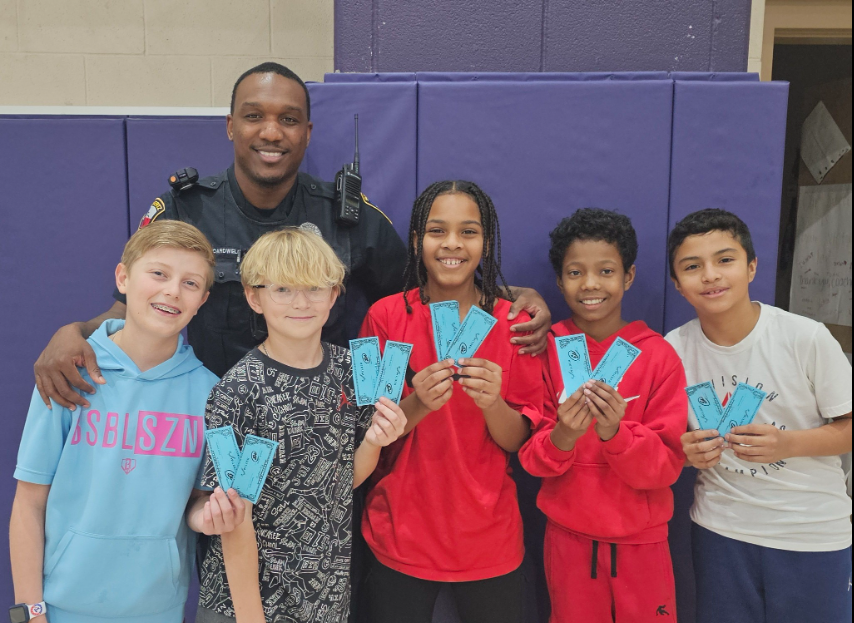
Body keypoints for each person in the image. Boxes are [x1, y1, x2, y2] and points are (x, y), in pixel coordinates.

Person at [32, 62, 552, 409]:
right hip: (224, 422)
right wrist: (73, 331)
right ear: (231, 126)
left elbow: (427, 290)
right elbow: (135, 309)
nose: (272, 132)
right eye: (254, 116)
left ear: (307, 132)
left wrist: (509, 296)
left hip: (330, 432)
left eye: (289, 119)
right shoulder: (186, 210)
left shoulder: (350, 218)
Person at [10, 221, 245, 623]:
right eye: (159, 273)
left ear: (203, 300)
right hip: (61, 607)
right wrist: (30, 612)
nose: (172, 290)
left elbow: (197, 501)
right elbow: (30, 502)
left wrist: (209, 515)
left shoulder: (211, 393)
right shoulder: (68, 374)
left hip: (158, 609)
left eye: (190, 283)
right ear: (123, 277)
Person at [194, 228, 407, 623]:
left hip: (324, 599)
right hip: (241, 605)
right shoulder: (236, 391)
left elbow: (344, 479)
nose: (301, 302)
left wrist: (374, 441)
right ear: (254, 297)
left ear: (333, 295)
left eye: (314, 287)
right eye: (283, 290)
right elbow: (233, 518)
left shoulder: (351, 371)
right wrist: (252, 618)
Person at [358, 180, 544, 623]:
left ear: (487, 240)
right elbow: (366, 431)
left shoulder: (514, 322)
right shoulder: (384, 317)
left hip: (489, 538)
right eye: (437, 230)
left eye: (469, 231)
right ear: (418, 240)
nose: (453, 244)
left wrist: (493, 403)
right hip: (398, 533)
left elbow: (520, 440)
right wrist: (419, 403)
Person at [666, 209, 852, 623]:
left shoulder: (805, 337)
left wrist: (788, 444)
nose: (711, 275)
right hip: (720, 531)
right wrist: (684, 453)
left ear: (751, 267)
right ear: (678, 285)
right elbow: (665, 444)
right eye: (692, 267)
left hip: (810, 532)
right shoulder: (672, 349)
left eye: (725, 260)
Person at [518, 208, 686, 623]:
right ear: (559, 281)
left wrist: (616, 433)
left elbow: (667, 466)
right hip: (567, 539)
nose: (591, 284)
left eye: (606, 271)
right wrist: (563, 436)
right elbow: (529, 455)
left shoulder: (657, 355)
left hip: (643, 544)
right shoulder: (546, 349)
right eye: (575, 273)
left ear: (627, 277)